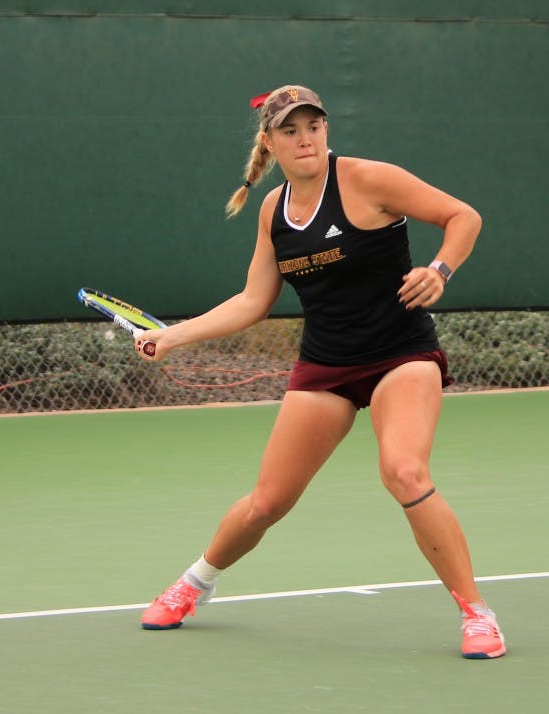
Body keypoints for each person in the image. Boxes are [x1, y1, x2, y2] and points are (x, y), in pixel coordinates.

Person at [134, 85, 505, 659]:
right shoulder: (272, 211)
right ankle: (195, 582)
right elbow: (253, 301)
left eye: (313, 126)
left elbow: (464, 216)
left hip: (400, 355)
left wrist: (440, 269)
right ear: (270, 141)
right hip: (326, 365)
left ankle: (477, 613)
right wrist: (173, 336)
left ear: (326, 130)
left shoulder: (368, 179)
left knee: (404, 472)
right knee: (266, 503)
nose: (305, 138)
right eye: (290, 130)